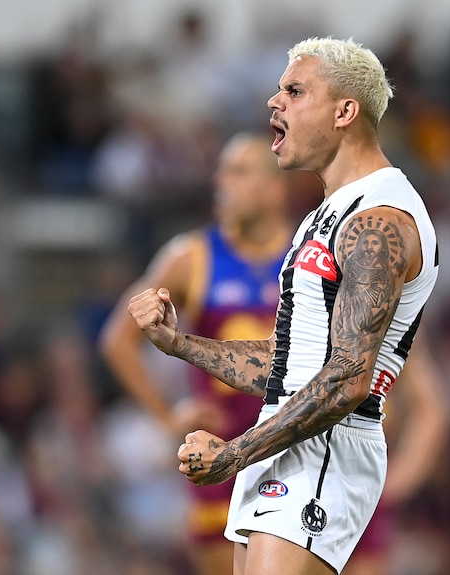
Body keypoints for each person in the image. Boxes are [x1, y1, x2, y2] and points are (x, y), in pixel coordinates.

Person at [128, 37, 439, 575]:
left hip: (324, 449)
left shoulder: (378, 221)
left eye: (295, 91)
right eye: (278, 90)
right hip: (290, 442)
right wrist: (180, 345)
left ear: (346, 112)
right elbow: (288, 360)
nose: (275, 102)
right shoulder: (328, 214)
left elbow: (346, 380)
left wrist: (232, 454)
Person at [99, 132, 295, 575]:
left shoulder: (310, 255)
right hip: (220, 458)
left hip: (295, 449)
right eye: (221, 171)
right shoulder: (193, 257)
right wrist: (168, 418)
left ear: (274, 187)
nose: (222, 182)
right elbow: (118, 339)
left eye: (239, 171)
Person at [342, 333, 450, 575]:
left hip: (358, 485)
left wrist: (392, 486)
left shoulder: (388, 308)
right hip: (278, 475)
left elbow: (431, 410)